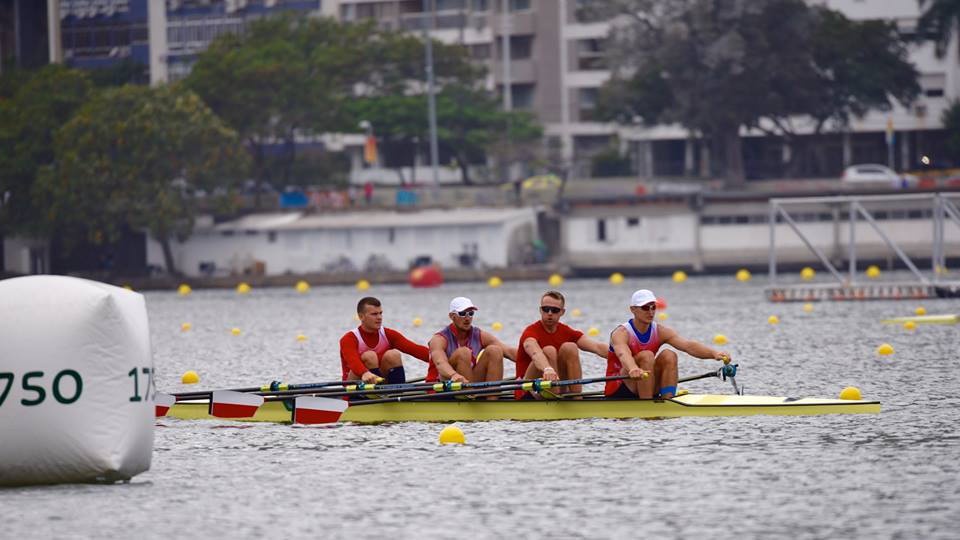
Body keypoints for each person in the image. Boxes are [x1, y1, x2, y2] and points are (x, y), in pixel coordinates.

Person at [605, 289, 730, 399]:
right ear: (633, 310)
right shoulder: (621, 333)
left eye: (653, 307)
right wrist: (633, 368)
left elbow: (688, 346)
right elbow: (623, 354)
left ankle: (668, 400)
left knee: (669, 355)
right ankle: (647, 406)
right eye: (645, 307)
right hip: (620, 385)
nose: (650, 311)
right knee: (647, 356)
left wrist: (714, 353)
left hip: (645, 380)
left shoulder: (660, 331)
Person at [515, 290, 609, 397]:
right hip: (527, 389)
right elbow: (535, 353)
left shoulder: (566, 331)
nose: (549, 313)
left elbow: (596, 347)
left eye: (555, 310)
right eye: (546, 309)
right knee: (549, 350)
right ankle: (554, 395)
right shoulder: (531, 332)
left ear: (562, 312)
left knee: (570, 347)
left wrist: (623, 357)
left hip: (554, 386)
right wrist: (547, 368)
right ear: (540, 310)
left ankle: (576, 397)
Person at [426, 297, 517, 396]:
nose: (467, 318)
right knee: (463, 352)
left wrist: (533, 360)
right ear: (452, 316)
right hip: (443, 386)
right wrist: (454, 375)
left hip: (468, 383)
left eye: (471, 313)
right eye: (462, 313)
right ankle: (469, 397)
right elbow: (440, 363)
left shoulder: (479, 335)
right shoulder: (439, 339)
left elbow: (509, 352)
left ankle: (492, 401)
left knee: (495, 350)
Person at [339, 296, 430, 386]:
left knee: (393, 355)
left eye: (380, 313)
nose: (379, 317)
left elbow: (415, 349)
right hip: (353, 385)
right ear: (361, 316)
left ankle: (397, 392)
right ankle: (377, 394)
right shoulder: (349, 339)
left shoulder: (388, 334)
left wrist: (439, 359)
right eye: (374, 314)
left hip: (379, 380)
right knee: (370, 356)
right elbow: (352, 361)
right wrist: (364, 373)